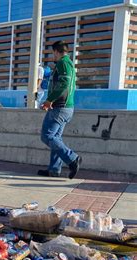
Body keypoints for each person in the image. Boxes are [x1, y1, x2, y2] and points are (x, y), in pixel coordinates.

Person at [38, 40, 82, 179]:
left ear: (56, 51)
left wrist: (49, 100)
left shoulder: (63, 62)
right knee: (56, 138)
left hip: (60, 108)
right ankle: (54, 170)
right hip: (66, 107)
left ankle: (72, 158)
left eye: (53, 53)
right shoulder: (69, 64)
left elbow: (64, 83)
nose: (53, 56)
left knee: (47, 136)